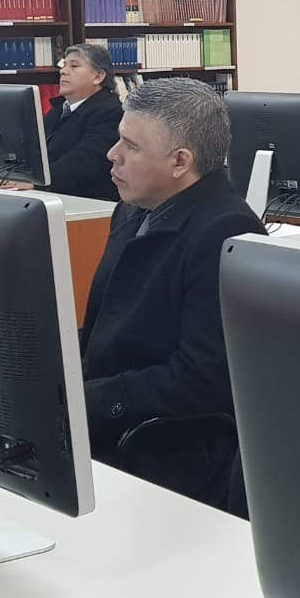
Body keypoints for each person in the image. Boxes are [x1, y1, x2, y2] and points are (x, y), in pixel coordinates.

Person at [80, 77, 264, 506]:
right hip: (103, 415)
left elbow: (204, 378)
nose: (112, 154)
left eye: (131, 146)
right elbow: (105, 327)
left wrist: (89, 402)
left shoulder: (226, 231)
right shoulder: (132, 210)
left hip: (158, 448)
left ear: (181, 161)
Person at [4, 43, 123, 200]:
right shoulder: (60, 109)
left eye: (74, 66)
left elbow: (85, 162)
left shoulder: (110, 112)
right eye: (64, 65)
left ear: (98, 77)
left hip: (87, 200)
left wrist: (36, 182)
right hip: (50, 193)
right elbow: (33, 148)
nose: (63, 71)